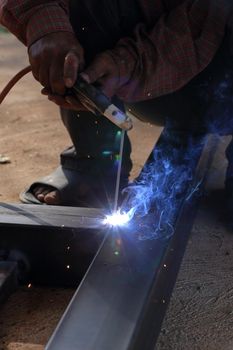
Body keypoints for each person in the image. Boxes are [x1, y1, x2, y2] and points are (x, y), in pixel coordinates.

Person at [0, 0, 233, 211]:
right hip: (142, 84)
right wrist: (43, 19)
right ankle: (95, 166)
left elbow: (206, 18)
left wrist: (130, 62)